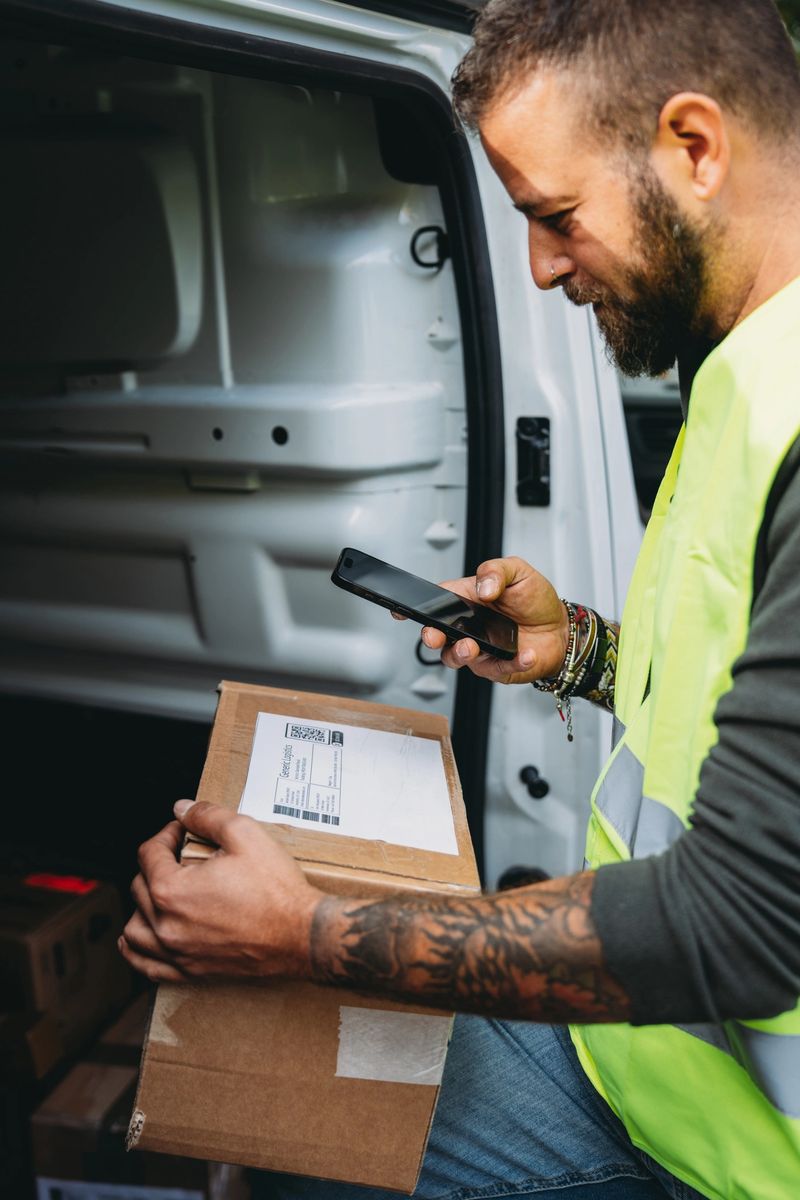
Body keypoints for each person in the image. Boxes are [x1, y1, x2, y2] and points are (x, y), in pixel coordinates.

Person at [119, 2, 800, 1196]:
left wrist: (310, 934)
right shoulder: (754, 369)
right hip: (651, 1074)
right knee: (294, 1110)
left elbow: (737, 924)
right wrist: (578, 651)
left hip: (743, 1156)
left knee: (304, 1030)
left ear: (692, 147)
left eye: (552, 216)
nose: (539, 267)